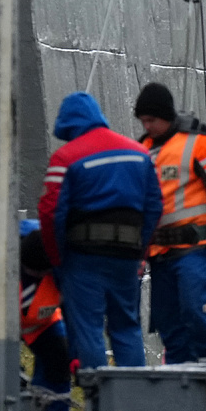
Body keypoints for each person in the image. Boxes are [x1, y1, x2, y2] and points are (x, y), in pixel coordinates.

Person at [38, 91, 162, 371]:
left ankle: (98, 405)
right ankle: (132, 403)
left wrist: (57, 258)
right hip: (127, 257)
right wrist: (141, 251)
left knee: (88, 329)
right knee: (127, 326)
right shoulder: (140, 153)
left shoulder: (66, 156)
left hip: (83, 258)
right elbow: (155, 206)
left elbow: (50, 211)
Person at [135, 83, 206, 365]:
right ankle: (181, 389)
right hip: (160, 254)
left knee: (197, 313)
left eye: (152, 120)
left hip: (194, 248)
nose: (147, 126)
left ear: (166, 116)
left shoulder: (200, 142)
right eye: (143, 121)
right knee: (169, 324)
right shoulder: (143, 150)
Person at [18, 222, 71, 411]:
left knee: (59, 362)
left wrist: (76, 353)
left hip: (43, 325)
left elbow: (72, 313)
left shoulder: (61, 266)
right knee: (4, 374)